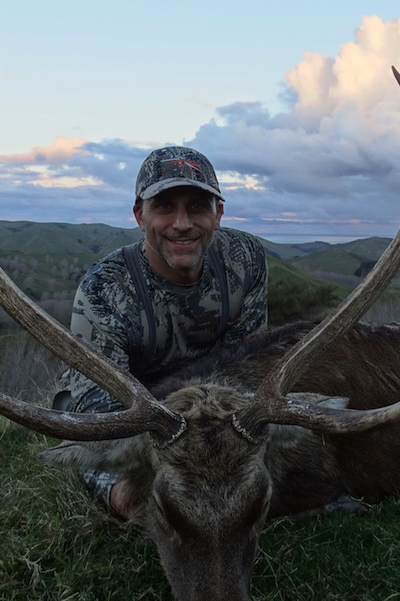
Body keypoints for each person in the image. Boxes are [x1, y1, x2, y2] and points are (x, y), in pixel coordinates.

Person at [53, 145, 268, 516]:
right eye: (165, 206)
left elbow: (250, 367)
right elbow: (101, 413)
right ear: (140, 215)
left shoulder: (245, 259)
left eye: (198, 207)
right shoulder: (103, 289)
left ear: (218, 214)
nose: (182, 223)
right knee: (119, 481)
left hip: (211, 405)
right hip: (137, 410)